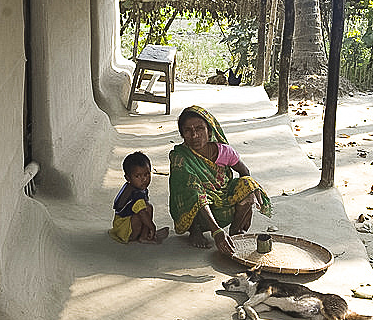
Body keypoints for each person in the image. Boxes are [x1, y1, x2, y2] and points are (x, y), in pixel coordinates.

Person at [168, 105, 271, 256]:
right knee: (193, 189)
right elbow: (193, 191)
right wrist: (216, 232)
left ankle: (234, 232)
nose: (195, 135)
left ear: (209, 131)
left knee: (249, 185)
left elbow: (245, 173)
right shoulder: (180, 157)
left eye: (199, 128)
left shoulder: (224, 151)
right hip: (199, 208)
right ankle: (196, 230)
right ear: (182, 134)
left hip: (223, 202)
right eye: (188, 130)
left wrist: (246, 206)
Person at [109, 151, 169, 244]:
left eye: (146, 174)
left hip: (122, 224)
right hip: (123, 230)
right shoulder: (135, 194)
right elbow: (142, 213)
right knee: (145, 210)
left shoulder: (133, 186)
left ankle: (145, 234)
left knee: (147, 207)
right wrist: (152, 226)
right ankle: (144, 236)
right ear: (128, 178)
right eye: (138, 176)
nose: (144, 179)